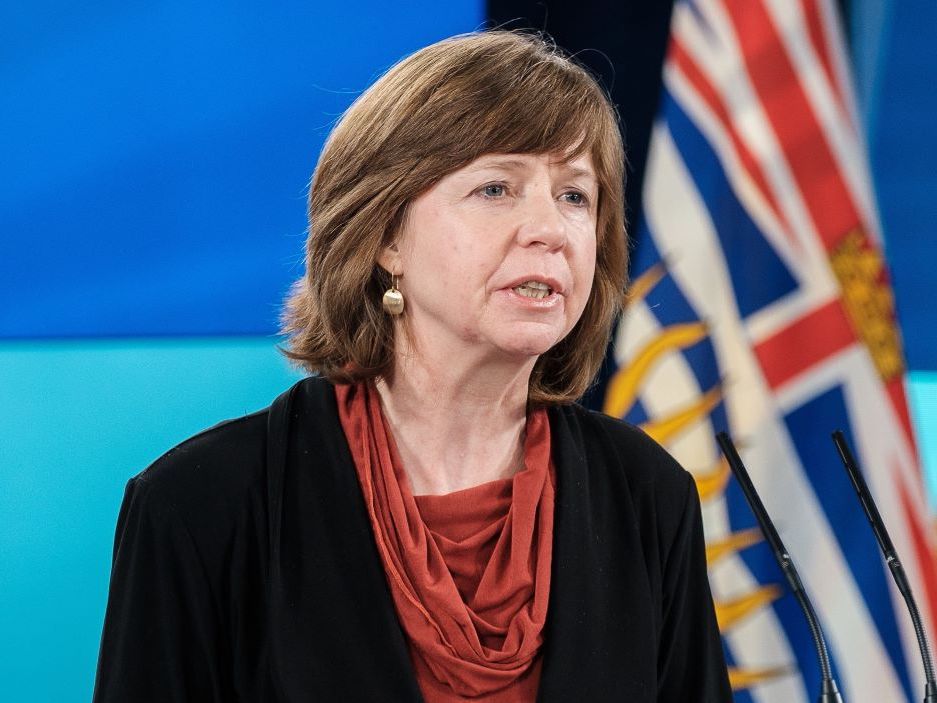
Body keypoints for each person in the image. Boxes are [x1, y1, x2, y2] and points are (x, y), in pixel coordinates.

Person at [92, 30, 731, 702]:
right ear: (386, 236)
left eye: (574, 195)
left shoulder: (646, 495)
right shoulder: (200, 506)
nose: (549, 229)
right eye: (495, 188)